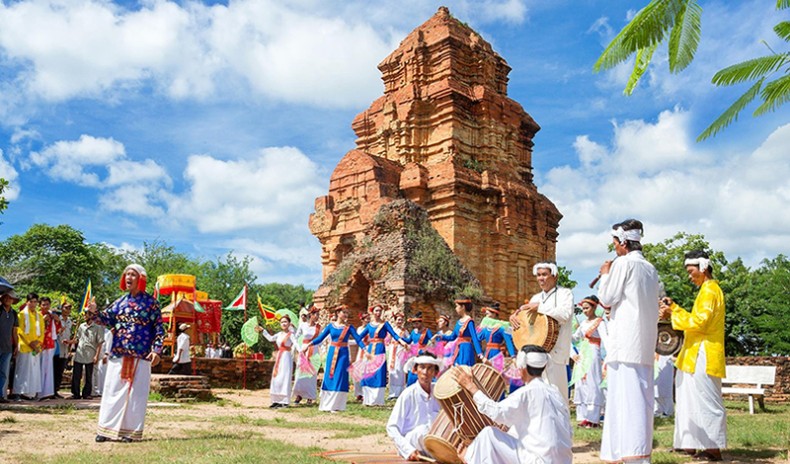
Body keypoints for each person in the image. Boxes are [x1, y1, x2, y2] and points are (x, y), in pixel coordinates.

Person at [597, 219, 660, 463]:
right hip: (643, 342)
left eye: (614, 242)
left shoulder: (623, 264)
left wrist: (605, 275)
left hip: (625, 341)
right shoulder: (650, 269)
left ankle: (630, 455)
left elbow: (606, 298)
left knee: (625, 401)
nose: (614, 247)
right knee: (639, 399)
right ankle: (629, 453)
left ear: (623, 243)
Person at [660, 250, 727, 461]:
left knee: (706, 401)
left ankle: (713, 448)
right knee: (687, 399)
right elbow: (694, 319)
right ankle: (688, 443)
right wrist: (674, 308)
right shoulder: (705, 290)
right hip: (693, 353)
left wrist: (672, 313)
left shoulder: (711, 290)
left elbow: (700, 323)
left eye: (691, 271)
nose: (690, 276)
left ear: (703, 268)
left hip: (704, 353)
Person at [87, 264, 165, 442]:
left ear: (141, 279)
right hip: (119, 353)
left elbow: (159, 329)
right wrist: (93, 311)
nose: (128, 277)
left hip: (141, 354)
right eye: (127, 274)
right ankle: (106, 429)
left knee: (136, 394)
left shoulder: (151, 303)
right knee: (112, 390)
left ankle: (130, 432)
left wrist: (156, 350)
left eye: (133, 274)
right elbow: (105, 319)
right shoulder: (120, 302)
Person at [458, 345, 573, 464]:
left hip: (539, 460)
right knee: (509, 431)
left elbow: (496, 413)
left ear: (523, 367)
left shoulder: (527, 392)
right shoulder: (555, 392)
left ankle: (469, 458)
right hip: (563, 460)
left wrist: (472, 388)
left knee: (488, 434)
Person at [509, 262, 574, 403]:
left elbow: (565, 314)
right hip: (535, 356)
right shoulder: (535, 298)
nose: (541, 278)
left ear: (555, 276)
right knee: (536, 397)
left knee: (558, 397)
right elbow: (527, 323)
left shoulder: (565, 294)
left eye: (544, 274)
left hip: (556, 353)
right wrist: (515, 317)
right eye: (538, 275)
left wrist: (540, 307)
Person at [304, 306, 366, 412]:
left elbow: (358, 339)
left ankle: (337, 406)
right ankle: (327, 405)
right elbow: (320, 338)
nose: (346, 314)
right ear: (338, 313)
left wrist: (365, 349)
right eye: (343, 312)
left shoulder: (349, 327)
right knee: (330, 376)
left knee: (340, 377)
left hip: (343, 355)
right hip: (332, 353)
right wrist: (309, 344)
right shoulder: (330, 326)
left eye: (347, 312)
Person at [386, 351, 442, 461]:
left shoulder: (439, 392)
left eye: (430, 368)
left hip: (435, 443)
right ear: (415, 370)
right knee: (422, 431)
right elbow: (392, 427)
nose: (425, 372)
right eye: (422, 367)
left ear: (435, 372)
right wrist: (408, 449)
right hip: (412, 443)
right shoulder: (408, 394)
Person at [358, 304, 405, 406]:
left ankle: (378, 400)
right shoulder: (369, 326)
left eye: (380, 311)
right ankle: (368, 399)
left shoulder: (385, 324)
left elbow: (394, 334)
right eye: (376, 311)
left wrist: (402, 342)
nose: (378, 313)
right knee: (369, 372)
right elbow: (358, 338)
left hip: (380, 349)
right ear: (372, 312)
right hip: (370, 351)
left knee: (379, 372)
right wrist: (364, 348)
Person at [571, 295, 605, 428]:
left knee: (593, 382)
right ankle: (584, 416)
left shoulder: (599, 322)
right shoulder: (583, 323)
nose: (585, 311)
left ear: (594, 307)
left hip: (593, 351)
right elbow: (575, 338)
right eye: (583, 308)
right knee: (581, 383)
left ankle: (594, 417)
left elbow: (606, 339)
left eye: (587, 308)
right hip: (583, 353)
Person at [257, 314, 298, 408]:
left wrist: (301, 351)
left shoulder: (291, 334)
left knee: (285, 377)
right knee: (277, 378)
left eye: (285, 322)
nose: (284, 324)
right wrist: (263, 330)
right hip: (279, 357)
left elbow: (296, 343)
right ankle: (276, 400)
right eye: (282, 322)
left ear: (289, 324)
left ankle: (285, 401)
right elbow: (270, 338)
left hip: (286, 357)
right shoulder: (279, 334)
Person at [435, 298, 483, 367]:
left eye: (457, 306)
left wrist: (480, 354)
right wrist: (441, 337)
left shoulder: (469, 321)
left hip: (466, 349)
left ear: (463, 307)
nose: (455, 308)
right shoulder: (458, 322)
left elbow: (474, 338)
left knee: (465, 368)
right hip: (458, 349)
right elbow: (452, 337)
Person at [14, 293, 44, 400]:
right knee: (22, 369)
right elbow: (20, 331)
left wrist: (38, 343)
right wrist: (30, 343)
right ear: (27, 302)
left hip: (36, 347)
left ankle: (30, 393)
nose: (33, 304)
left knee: (34, 371)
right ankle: (19, 392)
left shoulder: (39, 316)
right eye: (31, 302)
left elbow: (42, 331)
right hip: (24, 346)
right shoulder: (21, 315)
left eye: (35, 302)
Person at [293, 305, 321, 404]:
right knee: (300, 373)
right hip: (304, 350)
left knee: (311, 374)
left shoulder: (318, 327)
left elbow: (321, 340)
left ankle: (310, 396)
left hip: (314, 350)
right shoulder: (303, 325)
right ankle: (299, 395)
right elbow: (295, 337)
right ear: (311, 315)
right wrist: (298, 348)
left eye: (318, 315)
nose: (317, 317)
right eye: (316, 315)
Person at [71, 316, 104, 400]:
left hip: (90, 353)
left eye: (87, 314)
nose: (85, 316)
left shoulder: (97, 328)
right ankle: (75, 394)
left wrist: (96, 356)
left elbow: (99, 343)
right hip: (80, 352)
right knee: (76, 374)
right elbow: (77, 339)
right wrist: (69, 342)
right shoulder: (81, 326)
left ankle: (86, 394)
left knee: (89, 375)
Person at [38, 297, 61, 400]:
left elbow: (59, 330)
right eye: (43, 304)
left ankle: (47, 392)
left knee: (48, 368)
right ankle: (37, 392)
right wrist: (42, 320)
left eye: (47, 304)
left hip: (50, 343)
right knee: (39, 367)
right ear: (40, 305)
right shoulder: (37, 315)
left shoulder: (52, 316)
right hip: (39, 344)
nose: (45, 306)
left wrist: (57, 320)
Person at [403, 312, 433, 387]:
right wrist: (399, 338)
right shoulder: (413, 332)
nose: (415, 324)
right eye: (414, 323)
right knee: (412, 370)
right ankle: (410, 386)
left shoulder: (426, 331)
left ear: (421, 322)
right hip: (413, 353)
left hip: (422, 353)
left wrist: (428, 348)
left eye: (417, 323)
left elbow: (432, 341)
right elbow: (409, 340)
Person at [0, 290, 20, 403]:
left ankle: (1, 395)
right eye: (5, 297)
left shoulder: (14, 313)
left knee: (3, 372)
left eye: (10, 298)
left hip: (7, 347)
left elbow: (14, 331)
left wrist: (16, 345)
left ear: (13, 300)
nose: (8, 299)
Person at [387, 311, 409, 400]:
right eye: (398, 320)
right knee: (392, 370)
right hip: (392, 350)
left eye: (401, 320)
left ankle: (400, 392)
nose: (400, 321)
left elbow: (409, 340)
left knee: (400, 370)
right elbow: (387, 340)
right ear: (395, 320)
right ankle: (392, 393)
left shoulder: (404, 331)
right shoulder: (392, 330)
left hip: (400, 351)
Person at [54, 303, 74, 399]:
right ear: (62, 308)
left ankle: (56, 389)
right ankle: (52, 390)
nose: (68, 310)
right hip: (57, 347)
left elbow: (70, 334)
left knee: (60, 371)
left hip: (65, 349)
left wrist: (70, 342)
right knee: (54, 369)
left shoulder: (70, 321)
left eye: (69, 308)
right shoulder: (57, 319)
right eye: (66, 308)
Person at [352, 311, 370, 402]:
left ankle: (365, 392)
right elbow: (357, 339)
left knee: (366, 372)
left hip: (369, 350)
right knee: (357, 371)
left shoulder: (371, 328)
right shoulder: (359, 329)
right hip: (361, 351)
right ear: (362, 320)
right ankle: (358, 392)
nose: (368, 320)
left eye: (369, 319)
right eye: (366, 319)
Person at [93, 327, 113, 397]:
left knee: (102, 372)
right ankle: (95, 390)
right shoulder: (95, 330)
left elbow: (109, 345)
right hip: (94, 354)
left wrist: (106, 354)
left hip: (103, 355)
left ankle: (102, 390)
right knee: (95, 373)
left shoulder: (108, 333)